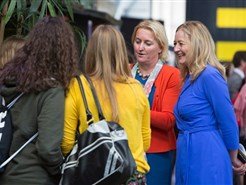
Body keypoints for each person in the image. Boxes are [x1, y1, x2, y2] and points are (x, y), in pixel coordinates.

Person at [61, 25, 151, 184]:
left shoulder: (79, 86)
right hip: (133, 175)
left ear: (91, 50)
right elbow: (145, 142)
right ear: (121, 51)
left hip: (95, 175)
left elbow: (67, 142)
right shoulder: (137, 88)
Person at [0, 16, 79, 185]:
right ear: (64, 52)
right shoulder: (51, 90)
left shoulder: (9, 80)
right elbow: (48, 148)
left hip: (5, 174)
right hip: (33, 177)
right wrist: (61, 170)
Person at [173, 20, 246, 185]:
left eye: (181, 43)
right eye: (175, 43)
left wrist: (233, 157)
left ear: (197, 44)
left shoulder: (209, 75)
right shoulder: (189, 78)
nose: (176, 48)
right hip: (188, 154)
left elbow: (228, 120)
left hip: (207, 156)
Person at [131, 20, 181, 185]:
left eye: (147, 43)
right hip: (125, 149)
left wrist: (134, 111)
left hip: (157, 153)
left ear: (160, 47)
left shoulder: (171, 75)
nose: (141, 47)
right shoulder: (124, 70)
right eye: (138, 42)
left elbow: (168, 120)